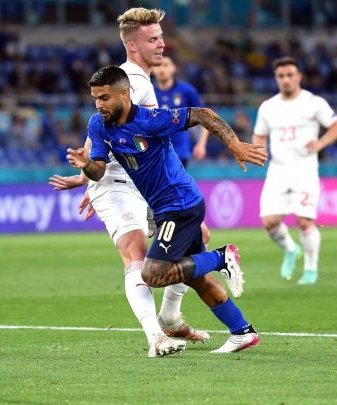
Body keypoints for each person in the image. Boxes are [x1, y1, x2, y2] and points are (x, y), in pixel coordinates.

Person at [68, 65, 268, 354]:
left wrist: (234, 144)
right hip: (165, 209)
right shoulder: (99, 125)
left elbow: (203, 114)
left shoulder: (151, 121)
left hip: (181, 205)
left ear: (125, 94)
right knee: (193, 276)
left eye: (105, 97)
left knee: (152, 274)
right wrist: (86, 164)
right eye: (95, 98)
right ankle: (242, 332)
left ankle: (221, 257)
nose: (99, 104)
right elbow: (98, 171)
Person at [49, 8, 209, 358]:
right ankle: (156, 337)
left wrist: (86, 177)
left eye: (161, 37)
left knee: (197, 238)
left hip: (140, 181)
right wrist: (91, 178)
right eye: (153, 39)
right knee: (136, 252)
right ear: (132, 46)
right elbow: (101, 128)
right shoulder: (132, 81)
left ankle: (170, 316)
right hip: (117, 183)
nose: (162, 44)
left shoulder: (140, 79)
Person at [252, 57, 337, 285]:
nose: (286, 79)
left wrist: (320, 144)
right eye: (281, 76)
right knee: (269, 222)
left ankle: (310, 271)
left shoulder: (314, 102)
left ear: (299, 76)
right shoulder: (268, 107)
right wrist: (259, 152)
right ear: (276, 78)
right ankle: (291, 250)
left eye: (290, 75)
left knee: (305, 221)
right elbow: (260, 135)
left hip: (305, 169)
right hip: (278, 169)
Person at [152, 54, 211, 246]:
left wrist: (201, 143)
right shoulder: (148, 92)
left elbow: (205, 117)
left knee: (171, 197)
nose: (162, 69)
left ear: (173, 68)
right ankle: (195, 237)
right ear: (152, 69)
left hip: (179, 153)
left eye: (166, 64)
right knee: (171, 198)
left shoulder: (186, 90)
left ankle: (192, 236)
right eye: (158, 65)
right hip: (155, 155)